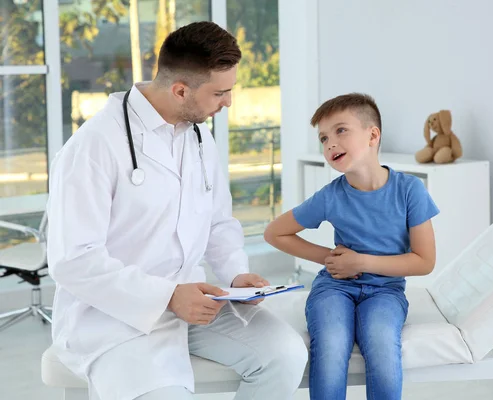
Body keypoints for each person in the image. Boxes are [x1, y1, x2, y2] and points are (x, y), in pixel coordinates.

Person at [46, 21, 307, 400]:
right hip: (114, 317)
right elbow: (73, 260)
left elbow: (218, 222)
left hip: (200, 304)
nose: (229, 102)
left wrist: (236, 275)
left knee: (285, 355)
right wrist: (168, 296)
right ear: (180, 89)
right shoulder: (94, 146)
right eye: (220, 92)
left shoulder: (199, 136)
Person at [264, 93, 439, 399]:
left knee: (383, 344)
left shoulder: (410, 190)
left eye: (340, 130)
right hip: (334, 288)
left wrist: (361, 263)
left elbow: (424, 261)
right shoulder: (330, 196)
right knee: (331, 344)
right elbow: (275, 233)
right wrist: (331, 259)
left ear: (373, 135)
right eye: (323, 137)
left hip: (386, 291)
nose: (330, 143)